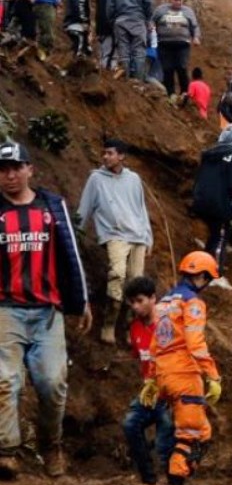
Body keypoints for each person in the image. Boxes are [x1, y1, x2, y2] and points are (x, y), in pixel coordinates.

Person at [0, 141, 90, 478]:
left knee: (52, 382)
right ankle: (7, 450)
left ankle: (51, 445)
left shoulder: (52, 206)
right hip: (5, 310)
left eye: (15, 168)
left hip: (47, 311)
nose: (9, 175)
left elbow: (71, 253)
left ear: (29, 170)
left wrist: (80, 301)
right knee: (5, 380)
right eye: (3, 170)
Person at [144, 252, 222, 485]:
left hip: (166, 376)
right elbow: (195, 342)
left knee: (203, 431)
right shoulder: (193, 303)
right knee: (190, 435)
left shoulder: (164, 303)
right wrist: (213, 376)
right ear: (200, 276)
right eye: (207, 279)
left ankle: (180, 471)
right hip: (185, 376)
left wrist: (152, 379)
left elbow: (155, 344)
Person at [77, 138, 153, 344]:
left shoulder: (134, 179)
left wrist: (148, 236)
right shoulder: (96, 179)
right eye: (104, 153)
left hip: (137, 235)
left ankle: (130, 327)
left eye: (110, 153)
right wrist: (76, 233)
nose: (105, 157)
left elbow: (141, 209)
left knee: (136, 282)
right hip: (114, 234)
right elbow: (84, 208)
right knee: (117, 275)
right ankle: (109, 323)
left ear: (121, 156)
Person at [120, 276, 174, 485]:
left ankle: (175, 484)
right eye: (132, 302)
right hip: (150, 393)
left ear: (153, 298)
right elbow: (140, 359)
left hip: (171, 393)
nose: (135, 306)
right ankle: (149, 482)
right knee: (131, 425)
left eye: (140, 300)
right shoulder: (134, 328)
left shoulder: (167, 325)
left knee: (165, 441)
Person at [192, 125, 232, 286]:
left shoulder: (209, 154)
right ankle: (213, 273)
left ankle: (206, 267)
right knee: (220, 237)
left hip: (203, 202)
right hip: (222, 205)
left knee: (213, 235)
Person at [105, 0, 154, 81]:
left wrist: (112, 21)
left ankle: (126, 83)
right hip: (138, 21)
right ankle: (138, 82)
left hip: (120, 21)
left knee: (124, 52)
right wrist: (148, 19)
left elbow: (109, 5)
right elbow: (148, 2)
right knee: (139, 52)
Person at [152, 0, 202, 102]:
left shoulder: (188, 11)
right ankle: (171, 94)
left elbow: (194, 26)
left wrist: (196, 37)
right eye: (176, 0)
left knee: (182, 67)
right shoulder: (161, 10)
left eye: (180, 0)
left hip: (182, 45)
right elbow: (151, 21)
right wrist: (151, 27)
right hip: (164, 44)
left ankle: (185, 93)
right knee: (167, 68)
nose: (178, 2)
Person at [94, 0, 119, 69]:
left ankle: (103, 71)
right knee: (111, 53)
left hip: (100, 22)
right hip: (112, 23)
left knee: (103, 50)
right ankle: (108, 72)